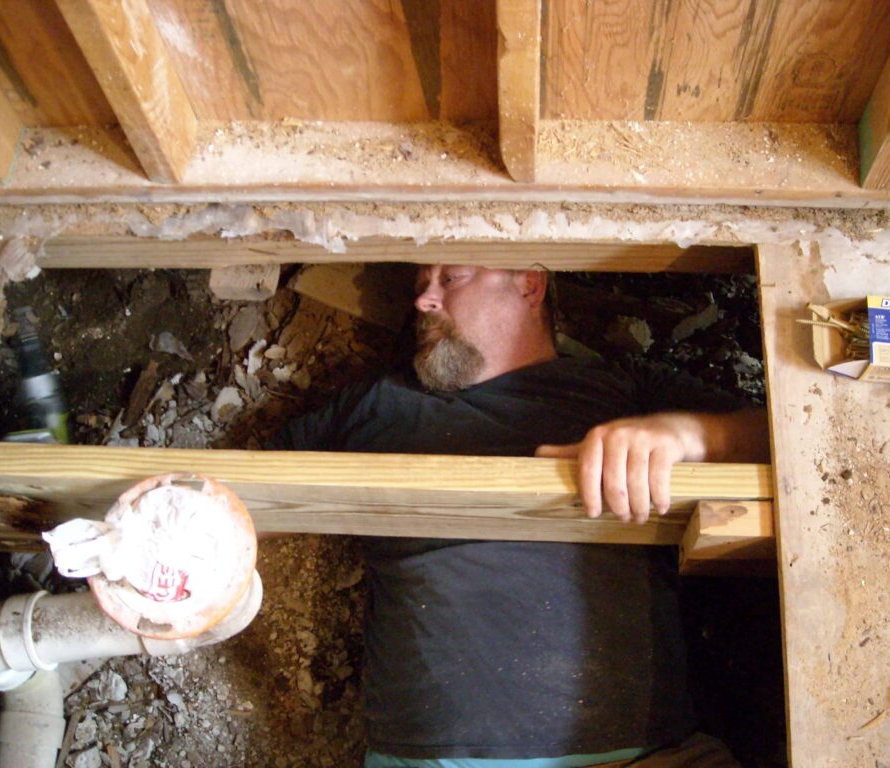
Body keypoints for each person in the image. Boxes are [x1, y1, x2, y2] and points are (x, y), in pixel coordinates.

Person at [273, 265, 770, 768]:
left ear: (529, 283)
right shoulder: (376, 405)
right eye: (420, 285)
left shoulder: (621, 388)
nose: (424, 300)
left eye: (452, 278)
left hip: (650, 757)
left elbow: (791, 438)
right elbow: (244, 490)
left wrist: (687, 435)